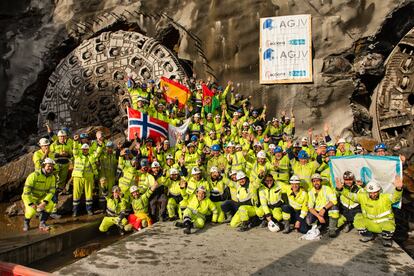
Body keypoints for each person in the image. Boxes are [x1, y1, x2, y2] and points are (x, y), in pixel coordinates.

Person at [336, 177, 403, 247]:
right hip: (370, 223)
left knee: (389, 226)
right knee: (358, 221)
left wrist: (398, 189)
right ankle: (368, 236)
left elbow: (396, 197)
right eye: (370, 193)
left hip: (383, 223)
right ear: (367, 192)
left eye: (375, 192)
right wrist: (341, 189)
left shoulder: (385, 197)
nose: (373, 194)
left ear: (379, 191)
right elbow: (350, 195)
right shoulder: (363, 197)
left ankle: (386, 239)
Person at [22, 158, 57, 231]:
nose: (50, 168)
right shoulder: (34, 175)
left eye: (52, 166)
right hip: (30, 197)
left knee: (50, 205)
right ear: (43, 166)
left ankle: (42, 223)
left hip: (41, 197)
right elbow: (26, 192)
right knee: (31, 212)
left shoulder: (52, 177)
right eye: (48, 166)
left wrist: (44, 202)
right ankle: (26, 222)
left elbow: (52, 191)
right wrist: (31, 204)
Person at [306, 173, 339, 238]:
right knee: (308, 221)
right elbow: (310, 207)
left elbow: (334, 200)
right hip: (318, 213)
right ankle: (322, 225)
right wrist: (319, 216)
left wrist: (324, 209)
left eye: (318, 180)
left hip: (326, 210)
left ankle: (332, 229)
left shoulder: (327, 188)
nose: (316, 183)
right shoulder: (311, 192)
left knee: (334, 208)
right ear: (312, 183)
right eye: (314, 181)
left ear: (321, 181)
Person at [72, 142, 98, 216]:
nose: (85, 151)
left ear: (88, 150)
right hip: (78, 177)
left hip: (88, 177)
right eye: (83, 149)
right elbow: (75, 150)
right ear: (81, 150)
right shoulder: (77, 156)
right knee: (76, 193)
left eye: (86, 149)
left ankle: (89, 210)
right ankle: (75, 211)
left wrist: (96, 175)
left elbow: (94, 165)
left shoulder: (91, 157)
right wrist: (75, 142)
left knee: (89, 193)